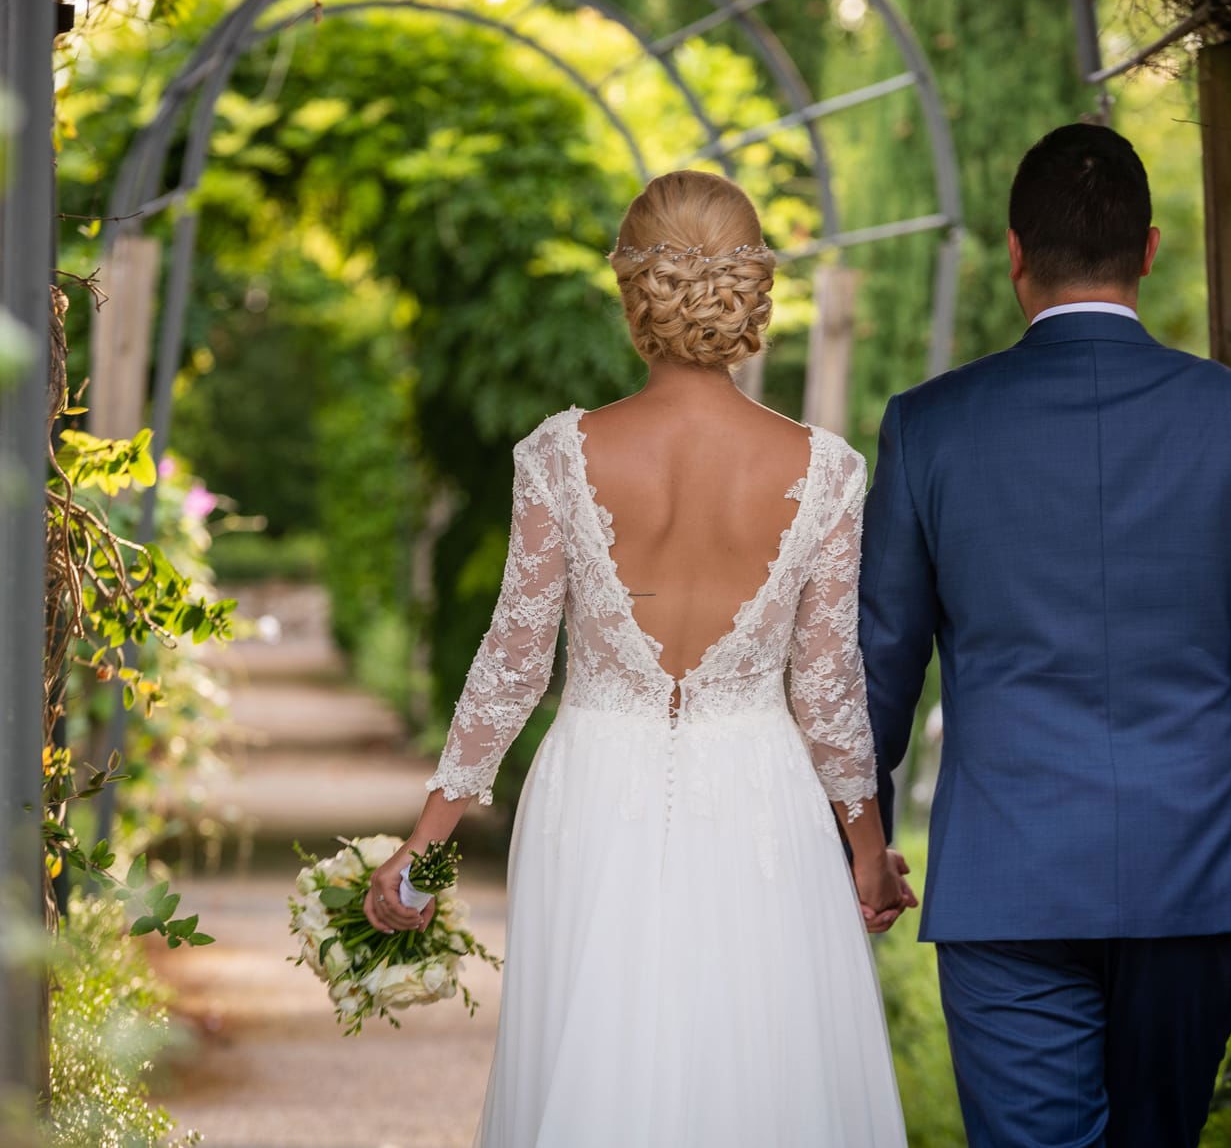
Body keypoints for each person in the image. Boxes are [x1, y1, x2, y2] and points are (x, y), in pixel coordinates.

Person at [364, 170, 912, 1147]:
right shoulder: (824, 472)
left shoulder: (560, 454)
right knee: (754, 1071)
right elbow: (827, 690)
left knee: (596, 1047)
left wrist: (424, 840)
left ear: (632, 289)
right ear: (753, 292)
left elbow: (513, 662)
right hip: (759, 790)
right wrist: (867, 856)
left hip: (595, 787)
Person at [859, 123, 1231, 1148]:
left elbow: (883, 660)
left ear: (1012, 253)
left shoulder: (928, 425)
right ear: (1150, 249)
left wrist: (855, 832)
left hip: (1006, 880)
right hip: (1192, 877)